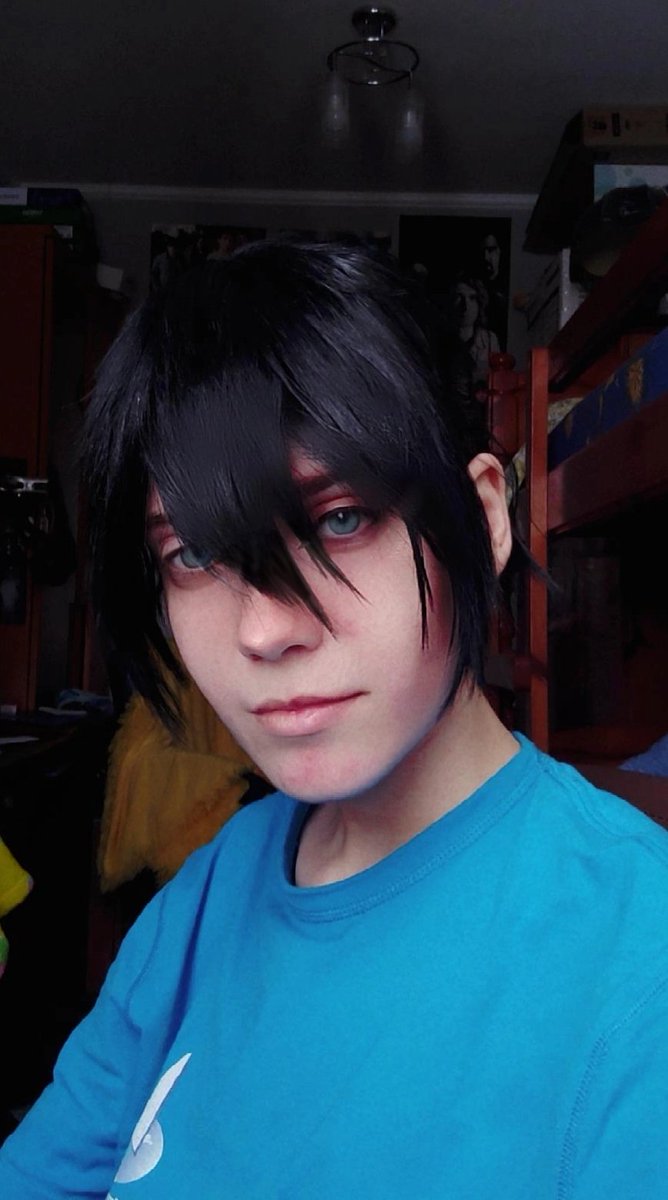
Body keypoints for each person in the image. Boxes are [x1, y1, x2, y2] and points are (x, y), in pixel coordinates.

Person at [1, 241, 668, 1198]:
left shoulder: (636, 962)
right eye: (194, 555)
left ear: (484, 516)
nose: (263, 629)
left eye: (341, 519)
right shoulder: (215, 884)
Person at [451, 272, 500, 385]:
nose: (465, 305)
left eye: (472, 298)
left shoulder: (489, 339)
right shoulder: (441, 338)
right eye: (459, 297)